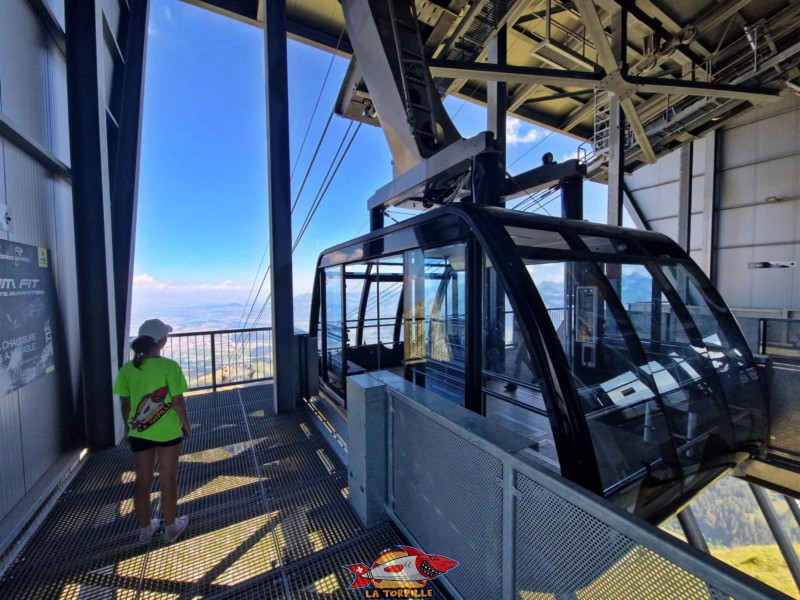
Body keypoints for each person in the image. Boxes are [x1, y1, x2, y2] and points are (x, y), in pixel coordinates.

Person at [114, 318, 191, 544]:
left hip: (138, 431)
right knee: (168, 479)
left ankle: (146, 529)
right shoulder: (169, 367)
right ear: (162, 341)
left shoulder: (128, 370)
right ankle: (170, 527)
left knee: (143, 480)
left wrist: (130, 427)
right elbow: (178, 401)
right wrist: (186, 425)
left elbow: (125, 404)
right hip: (167, 431)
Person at [505, 319, 535, 391]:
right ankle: (537, 376)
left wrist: (520, 327)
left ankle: (514, 383)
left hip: (523, 340)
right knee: (526, 360)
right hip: (519, 338)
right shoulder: (518, 314)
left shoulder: (525, 313)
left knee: (517, 361)